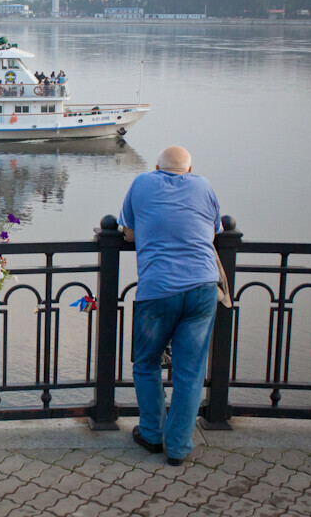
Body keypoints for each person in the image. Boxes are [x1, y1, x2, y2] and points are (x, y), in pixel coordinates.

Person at [118, 146, 221, 466]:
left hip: (158, 291)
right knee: (190, 371)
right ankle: (177, 447)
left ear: (155, 167)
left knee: (147, 362)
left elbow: (129, 234)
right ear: (190, 170)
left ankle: (151, 434)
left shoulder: (141, 183)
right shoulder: (204, 186)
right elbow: (214, 232)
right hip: (202, 288)